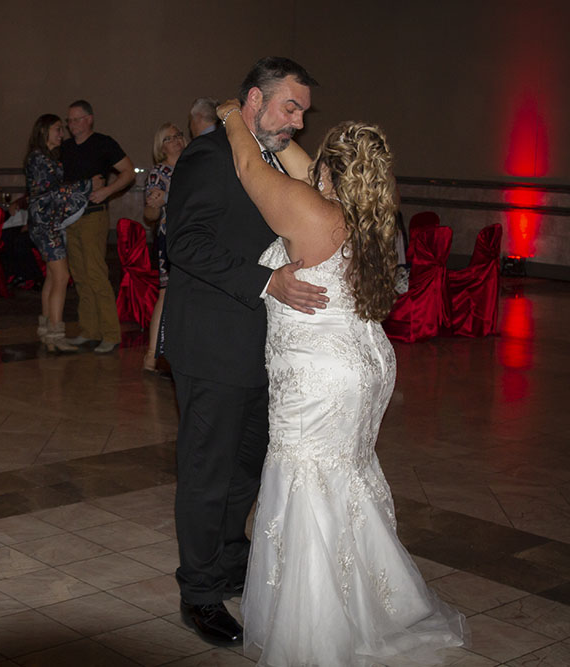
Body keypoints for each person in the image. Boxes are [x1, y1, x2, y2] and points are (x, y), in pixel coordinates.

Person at [216, 100, 468, 664]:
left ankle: (316, 634)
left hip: (321, 377)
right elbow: (304, 168)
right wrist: (280, 134)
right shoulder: (367, 211)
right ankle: (374, 605)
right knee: (344, 481)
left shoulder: (315, 214)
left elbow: (251, 169)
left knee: (306, 484)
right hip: (363, 363)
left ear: (329, 173)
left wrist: (233, 114)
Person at [163, 57, 327, 645]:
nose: (298, 122)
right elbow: (185, 243)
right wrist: (265, 282)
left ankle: (231, 563)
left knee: (246, 469)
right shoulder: (208, 156)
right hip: (212, 345)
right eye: (291, 108)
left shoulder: (272, 160)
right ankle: (199, 593)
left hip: (264, 349)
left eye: (304, 112)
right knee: (207, 472)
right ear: (254, 100)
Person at [61, 100, 134, 354]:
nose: (71, 125)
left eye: (76, 119)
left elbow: (128, 172)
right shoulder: (65, 148)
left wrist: (107, 191)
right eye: (69, 120)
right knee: (80, 275)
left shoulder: (103, 143)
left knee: (95, 273)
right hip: (70, 218)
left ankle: (111, 334)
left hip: (93, 216)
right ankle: (89, 330)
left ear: (89, 119)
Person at [24, 114, 92, 352]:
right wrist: (88, 185)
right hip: (46, 224)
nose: (62, 134)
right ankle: (56, 334)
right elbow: (51, 192)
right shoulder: (38, 158)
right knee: (62, 277)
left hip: (47, 222)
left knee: (53, 278)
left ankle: (47, 333)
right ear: (44, 131)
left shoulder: (45, 157)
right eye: (57, 129)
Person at [142, 123, 187, 372]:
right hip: (170, 238)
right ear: (161, 146)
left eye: (179, 135)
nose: (177, 140)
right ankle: (152, 354)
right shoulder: (159, 173)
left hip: (194, 236)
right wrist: (155, 203)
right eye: (169, 138)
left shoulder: (193, 165)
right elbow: (150, 212)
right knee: (166, 292)